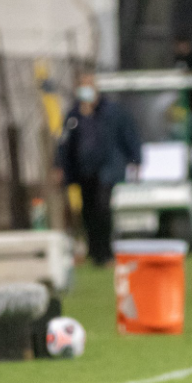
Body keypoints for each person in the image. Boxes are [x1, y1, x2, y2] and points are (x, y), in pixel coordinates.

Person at [54, 71, 142, 266]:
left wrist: (136, 159)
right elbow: (64, 143)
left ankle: (106, 252)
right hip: (84, 170)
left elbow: (128, 135)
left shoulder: (112, 111)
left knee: (103, 209)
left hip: (107, 168)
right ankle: (94, 253)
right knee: (88, 211)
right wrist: (59, 166)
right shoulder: (74, 115)